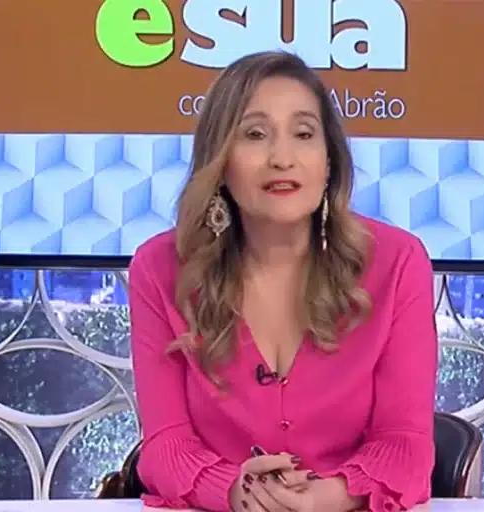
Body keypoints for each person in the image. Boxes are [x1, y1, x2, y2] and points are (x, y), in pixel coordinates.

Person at [128, 50, 438, 512]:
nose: (282, 158)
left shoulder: (397, 264)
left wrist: (322, 498)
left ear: (329, 161)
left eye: (304, 134)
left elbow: (405, 446)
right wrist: (237, 493)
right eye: (255, 134)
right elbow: (166, 446)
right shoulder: (159, 269)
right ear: (221, 161)